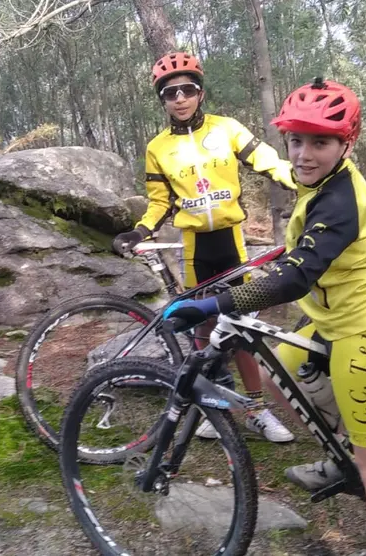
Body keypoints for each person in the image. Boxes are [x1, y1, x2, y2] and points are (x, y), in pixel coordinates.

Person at [163, 78, 366, 556]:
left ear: (346, 143)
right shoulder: (324, 183)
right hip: (333, 321)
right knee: (280, 372)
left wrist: (216, 304)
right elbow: (306, 250)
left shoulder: (341, 200)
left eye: (320, 142)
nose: (302, 154)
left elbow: (297, 278)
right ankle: (343, 448)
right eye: (296, 140)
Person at [113, 52, 296, 443]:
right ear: (162, 100)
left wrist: (299, 179)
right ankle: (209, 407)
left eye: (187, 89)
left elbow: (264, 159)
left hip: (230, 240)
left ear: (200, 92)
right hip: (195, 246)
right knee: (203, 329)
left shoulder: (226, 129)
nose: (179, 98)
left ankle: (255, 410)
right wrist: (141, 230)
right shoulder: (157, 148)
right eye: (169, 93)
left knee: (242, 327)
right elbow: (160, 202)